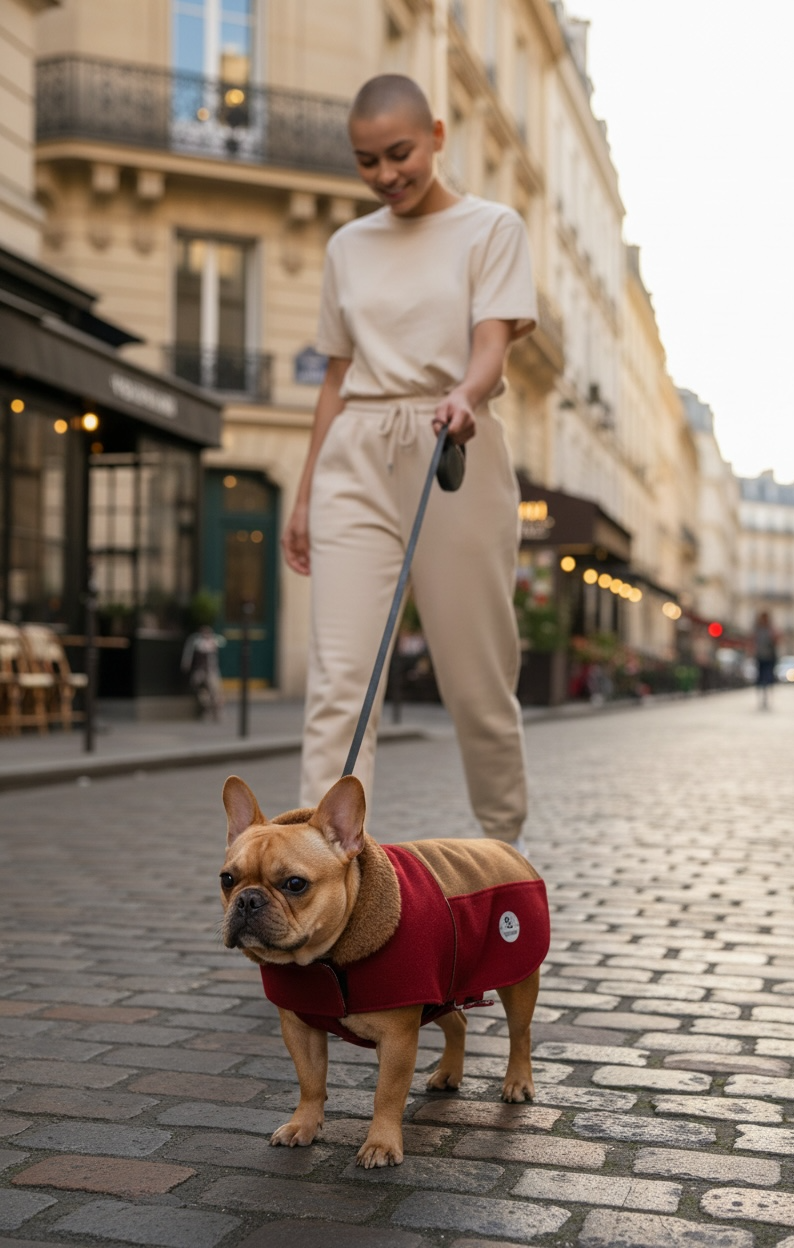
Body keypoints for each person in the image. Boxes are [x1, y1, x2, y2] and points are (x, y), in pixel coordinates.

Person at [281, 74, 537, 847]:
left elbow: (492, 344)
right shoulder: (347, 246)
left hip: (451, 443)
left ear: (436, 135)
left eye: (400, 153)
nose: (386, 174)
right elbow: (335, 376)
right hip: (354, 452)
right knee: (340, 684)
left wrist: (465, 393)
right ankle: (321, 870)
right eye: (367, 161)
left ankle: (503, 849)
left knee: (476, 679)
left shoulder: (492, 228)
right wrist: (305, 494)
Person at [181, 624, 225, 720]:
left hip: (212, 671)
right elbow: (188, 654)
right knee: (202, 692)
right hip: (200, 671)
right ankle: (206, 710)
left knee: (215, 692)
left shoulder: (214, 642)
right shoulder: (197, 643)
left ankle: (217, 713)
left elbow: (222, 642)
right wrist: (186, 663)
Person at [752, 611, 777, 710]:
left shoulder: (770, 629)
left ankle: (766, 697)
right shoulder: (757, 629)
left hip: (769, 657)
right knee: (761, 678)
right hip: (760, 657)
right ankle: (762, 697)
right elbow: (753, 641)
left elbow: (775, 641)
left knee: (768, 677)